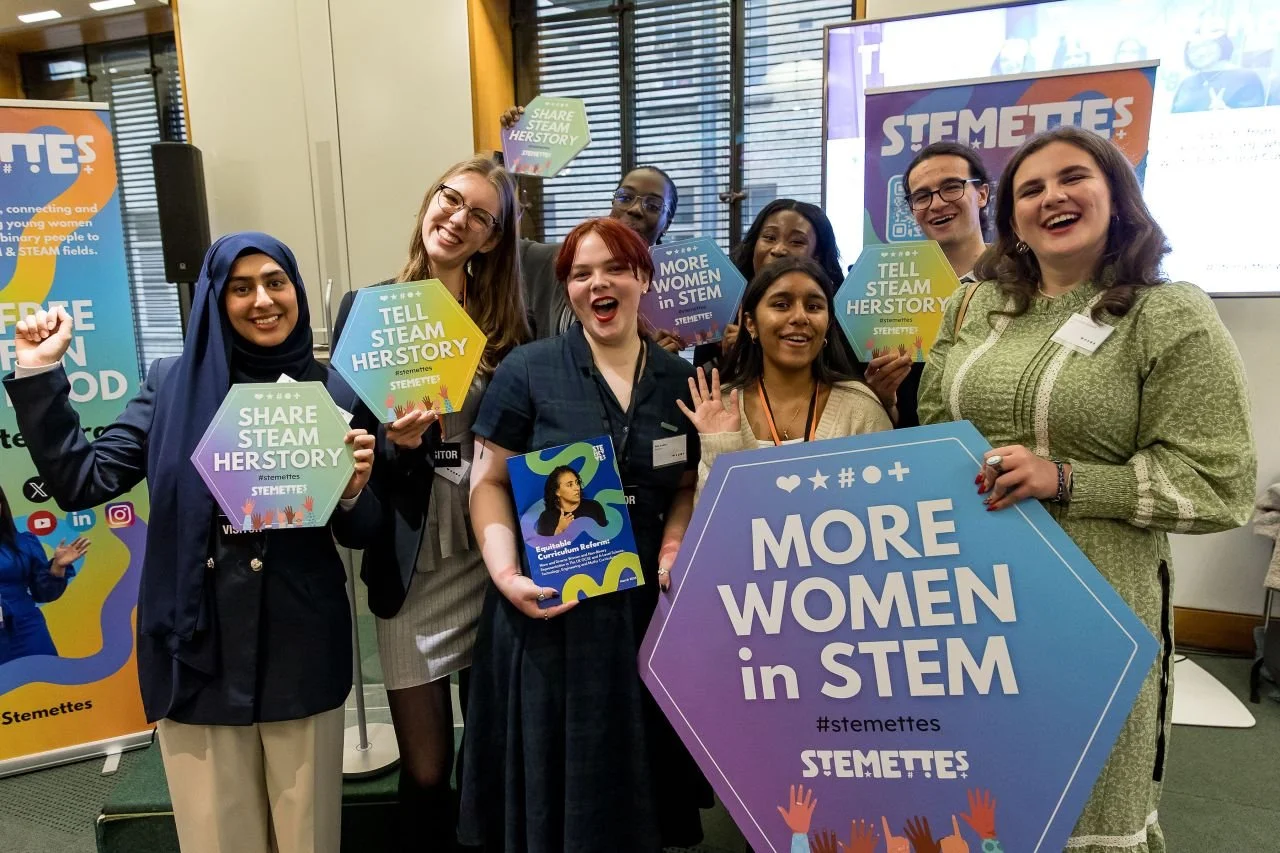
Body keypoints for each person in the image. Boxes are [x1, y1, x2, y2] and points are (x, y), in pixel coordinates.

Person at [918, 126, 1256, 852]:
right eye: (1031, 189)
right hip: (973, 595)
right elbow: (936, 424)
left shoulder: (1168, 312)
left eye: (1073, 178)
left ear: (1118, 196)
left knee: (1083, 796)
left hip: (1098, 599)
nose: (1053, 197)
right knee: (981, 795)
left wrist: (1066, 480)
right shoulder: (972, 308)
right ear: (1010, 216)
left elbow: (1219, 483)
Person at [4, 233, 380, 853]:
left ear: (297, 290)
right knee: (218, 839)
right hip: (198, 646)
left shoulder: (333, 390)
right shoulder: (171, 385)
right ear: (213, 297)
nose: (263, 300)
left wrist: (352, 492)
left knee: (308, 837)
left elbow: (364, 531)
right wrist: (41, 373)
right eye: (241, 287)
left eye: (275, 282)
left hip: (300, 647)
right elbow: (81, 481)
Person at [459, 217, 710, 851]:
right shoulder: (529, 370)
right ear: (567, 288)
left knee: (635, 790)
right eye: (580, 273)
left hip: (647, 609)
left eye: (615, 269)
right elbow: (487, 482)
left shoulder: (678, 380)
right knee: (553, 795)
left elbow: (684, 484)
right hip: (550, 609)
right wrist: (506, 575)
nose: (598, 283)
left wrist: (675, 542)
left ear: (643, 278)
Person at [331, 155, 527, 852]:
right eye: (451, 199)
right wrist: (398, 444)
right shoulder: (367, 307)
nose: (457, 219)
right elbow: (344, 443)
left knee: (490, 754)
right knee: (425, 768)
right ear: (430, 201)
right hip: (412, 556)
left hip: (489, 549)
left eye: (480, 216)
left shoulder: (507, 323)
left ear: (492, 239)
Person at [680, 256, 891, 497]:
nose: (800, 317)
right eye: (781, 305)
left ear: (828, 324)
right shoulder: (721, 407)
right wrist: (721, 447)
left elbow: (886, 502)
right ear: (750, 324)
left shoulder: (860, 408)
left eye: (814, 307)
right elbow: (711, 515)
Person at [694, 200, 910, 421]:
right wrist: (733, 358)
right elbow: (703, 396)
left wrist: (880, 398)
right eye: (769, 237)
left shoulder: (848, 322)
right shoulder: (721, 311)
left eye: (797, 241)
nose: (778, 249)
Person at [500, 105, 684, 351]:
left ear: (667, 222)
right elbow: (498, 242)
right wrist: (514, 152)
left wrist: (657, 358)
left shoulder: (676, 289)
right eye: (625, 197)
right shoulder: (555, 260)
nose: (635, 209)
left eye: (653, 205)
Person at [891, 142, 995, 427]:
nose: (936, 204)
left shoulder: (1023, 282)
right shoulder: (893, 293)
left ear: (982, 194)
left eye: (951, 187)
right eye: (922, 196)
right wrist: (884, 397)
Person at [0, 485, 89, 664]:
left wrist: (57, 567)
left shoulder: (24, 543)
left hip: (27, 631)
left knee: (43, 679)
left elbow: (43, 594)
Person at [535, 465, 607, 536]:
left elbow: (606, 536)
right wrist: (559, 529)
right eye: (570, 485)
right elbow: (545, 543)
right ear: (557, 491)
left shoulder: (594, 507)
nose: (577, 488)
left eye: (577, 483)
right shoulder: (546, 518)